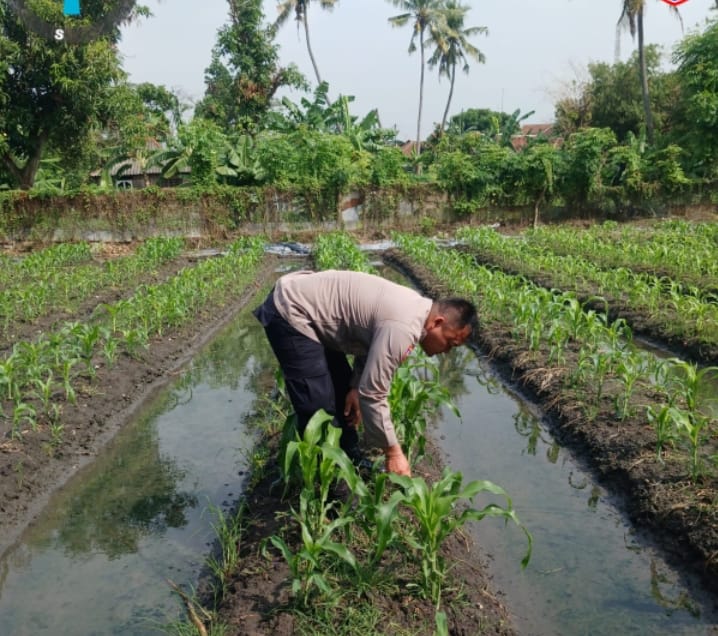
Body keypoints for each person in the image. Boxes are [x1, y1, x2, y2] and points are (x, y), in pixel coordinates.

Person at [253, 269, 477, 476]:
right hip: (293, 308)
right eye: (450, 343)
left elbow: (370, 342)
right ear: (437, 322)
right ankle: (323, 480)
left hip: (316, 312)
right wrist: (393, 453)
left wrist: (355, 386)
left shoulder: (416, 310)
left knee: (343, 393)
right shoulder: (403, 327)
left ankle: (349, 458)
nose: (446, 351)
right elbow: (374, 394)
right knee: (317, 408)